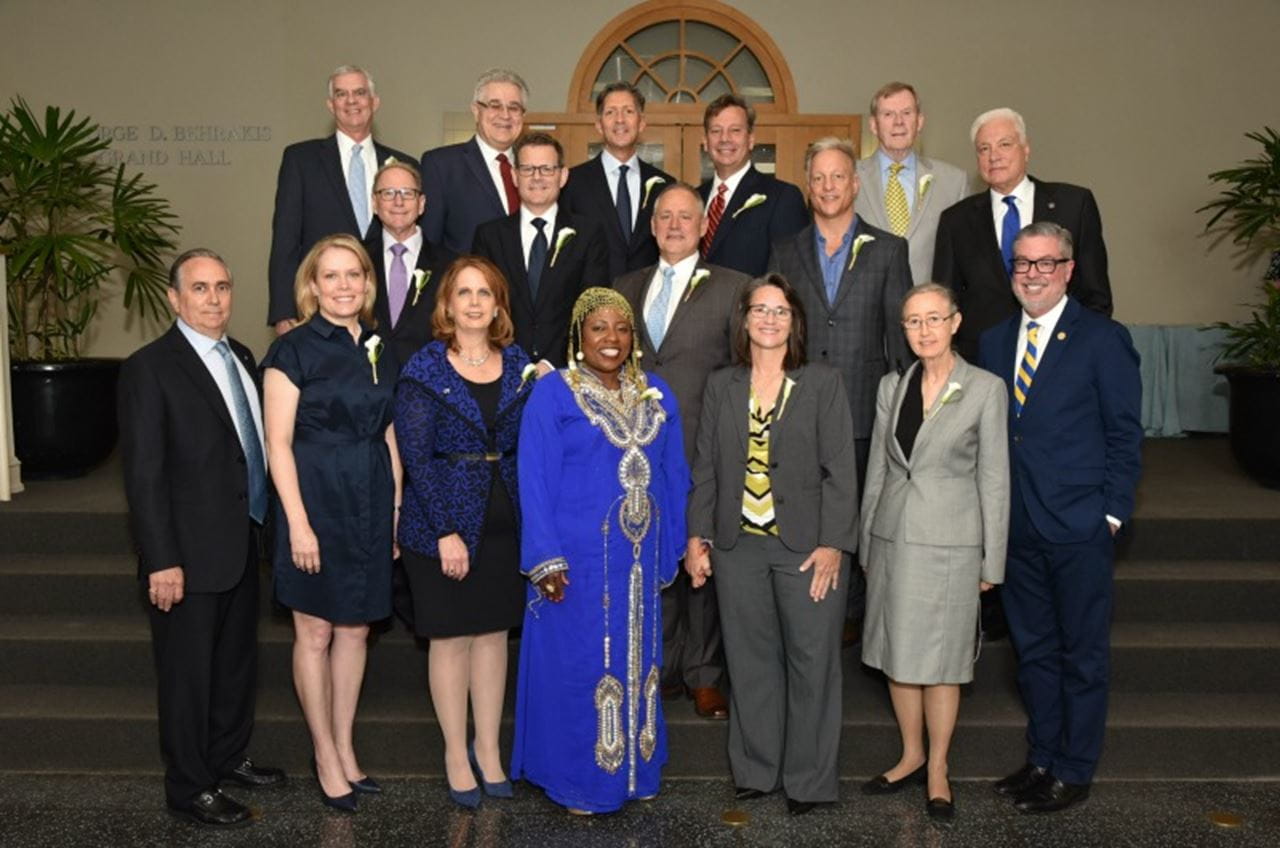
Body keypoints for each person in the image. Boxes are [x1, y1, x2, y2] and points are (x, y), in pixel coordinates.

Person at [979, 222, 1141, 814]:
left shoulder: (1103, 339)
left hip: (1079, 527)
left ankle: (1075, 768)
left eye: (1047, 264)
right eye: (1023, 264)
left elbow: (1125, 433)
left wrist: (1113, 514)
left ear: (1069, 270)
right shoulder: (994, 342)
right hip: (1016, 527)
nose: (1034, 274)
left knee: (1082, 655)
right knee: (1034, 653)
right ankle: (1042, 757)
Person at [119, 248, 285, 827]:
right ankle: (190, 787)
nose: (213, 299)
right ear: (174, 297)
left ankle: (227, 757)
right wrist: (161, 558)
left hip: (241, 541)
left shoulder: (240, 355)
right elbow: (142, 475)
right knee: (188, 676)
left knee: (235, 665)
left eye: (221, 287)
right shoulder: (150, 367)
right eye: (199, 289)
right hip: (185, 555)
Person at [685, 274, 858, 816]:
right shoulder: (722, 385)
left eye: (780, 310)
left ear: (795, 321)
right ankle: (757, 772)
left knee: (812, 663)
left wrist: (834, 543)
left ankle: (809, 781)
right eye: (759, 309)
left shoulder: (822, 382)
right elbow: (707, 468)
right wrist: (699, 536)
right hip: (738, 548)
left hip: (807, 549)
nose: (769, 319)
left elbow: (840, 472)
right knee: (750, 663)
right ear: (744, 320)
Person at [512, 287, 689, 815]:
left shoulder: (657, 393)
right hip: (574, 564)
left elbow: (675, 475)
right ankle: (580, 781)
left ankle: (636, 773)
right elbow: (534, 477)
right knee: (581, 667)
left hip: (636, 563)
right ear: (578, 336)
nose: (610, 339)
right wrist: (546, 558)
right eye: (598, 328)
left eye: (621, 328)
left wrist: (671, 545)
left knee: (641, 664)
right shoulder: (553, 394)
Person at [262, 234, 403, 812]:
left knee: (355, 630)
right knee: (315, 633)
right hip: (315, 497)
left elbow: (389, 430)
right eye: (332, 276)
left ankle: (345, 749)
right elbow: (277, 443)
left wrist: (396, 509)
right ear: (312, 286)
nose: (344, 285)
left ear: (368, 284)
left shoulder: (377, 343)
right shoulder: (292, 351)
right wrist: (297, 523)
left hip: (370, 494)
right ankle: (322, 754)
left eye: (354, 275)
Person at [859, 283, 1009, 823]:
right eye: (912, 322)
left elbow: (995, 479)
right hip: (893, 540)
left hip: (952, 545)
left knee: (942, 662)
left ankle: (939, 768)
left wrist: (992, 562)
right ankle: (910, 755)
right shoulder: (891, 386)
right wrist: (865, 543)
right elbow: (878, 467)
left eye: (932, 319)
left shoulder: (985, 389)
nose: (922, 330)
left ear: (955, 322)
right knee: (898, 655)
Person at [394, 256, 534, 808]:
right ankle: (456, 754)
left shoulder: (521, 363)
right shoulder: (423, 370)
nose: (475, 302)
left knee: (494, 636)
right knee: (451, 640)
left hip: (507, 524)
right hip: (443, 525)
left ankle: (489, 749)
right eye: (464, 293)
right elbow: (417, 458)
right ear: (447, 305)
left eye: (485, 293)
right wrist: (447, 530)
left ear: (498, 304)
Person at [769, 137, 913, 645]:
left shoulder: (889, 250)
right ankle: (810, 607)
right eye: (819, 178)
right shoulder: (785, 250)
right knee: (808, 507)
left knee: (857, 512)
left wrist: (903, 417)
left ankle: (852, 619)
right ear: (809, 188)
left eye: (838, 177)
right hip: (802, 409)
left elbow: (900, 341)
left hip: (863, 407)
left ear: (855, 184)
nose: (829, 186)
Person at [614, 182, 748, 720]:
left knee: (703, 556)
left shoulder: (733, 287)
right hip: (639, 449)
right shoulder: (623, 286)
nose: (674, 225)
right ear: (652, 226)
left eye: (685, 217)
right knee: (651, 552)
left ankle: (705, 674)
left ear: (702, 227)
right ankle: (663, 668)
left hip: (705, 443)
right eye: (664, 216)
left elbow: (741, 369)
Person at [933, 107, 1112, 360]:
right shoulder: (956, 220)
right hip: (983, 364)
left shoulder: (1074, 205)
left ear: (1026, 149)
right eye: (984, 149)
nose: (994, 156)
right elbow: (946, 302)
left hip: (1062, 357)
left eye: (1004, 144)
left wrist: (1084, 353)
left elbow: (1096, 295)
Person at [268, 65, 410, 333]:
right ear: (331, 105)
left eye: (359, 92)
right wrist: (283, 311)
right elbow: (285, 239)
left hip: (386, 310)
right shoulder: (301, 160)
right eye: (341, 94)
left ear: (374, 102)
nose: (352, 101)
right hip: (318, 307)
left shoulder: (402, 165)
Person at [471, 131, 609, 366]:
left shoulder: (588, 234)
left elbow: (590, 307)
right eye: (527, 169)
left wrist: (551, 363)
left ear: (563, 176)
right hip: (501, 368)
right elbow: (482, 305)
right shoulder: (490, 236)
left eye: (546, 169)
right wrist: (510, 359)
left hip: (567, 371)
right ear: (515, 176)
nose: (537, 177)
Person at [854, 82, 968, 290]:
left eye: (907, 113)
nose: (898, 122)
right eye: (888, 114)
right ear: (873, 125)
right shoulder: (848, 178)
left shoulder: (953, 182)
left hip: (929, 313)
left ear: (920, 121)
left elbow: (964, 260)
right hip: (867, 311)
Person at [560, 81, 675, 282]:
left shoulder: (664, 186)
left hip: (647, 303)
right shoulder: (572, 183)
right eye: (611, 112)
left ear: (641, 122)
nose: (620, 120)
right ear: (599, 124)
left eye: (628, 111)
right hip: (592, 304)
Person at [421, 68, 529, 257]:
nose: (505, 115)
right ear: (476, 111)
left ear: (523, 116)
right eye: (494, 106)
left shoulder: (535, 169)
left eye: (514, 107)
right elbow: (430, 246)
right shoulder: (441, 165)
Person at [698, 94, 807, 277]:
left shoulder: (782, 198)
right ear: (705, 142)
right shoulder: (694, 198)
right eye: (716, 131)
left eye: (735, 130)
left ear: (750, 140)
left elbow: (792, 275)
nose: (725, 138)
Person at [363, 158, 452, 370]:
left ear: (421, 204)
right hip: (365, 385)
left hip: (429, 386)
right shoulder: (357, 260)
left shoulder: (451, 265)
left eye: (407, 193)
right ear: (375, 204)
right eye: (388, 193)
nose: (398, 202)